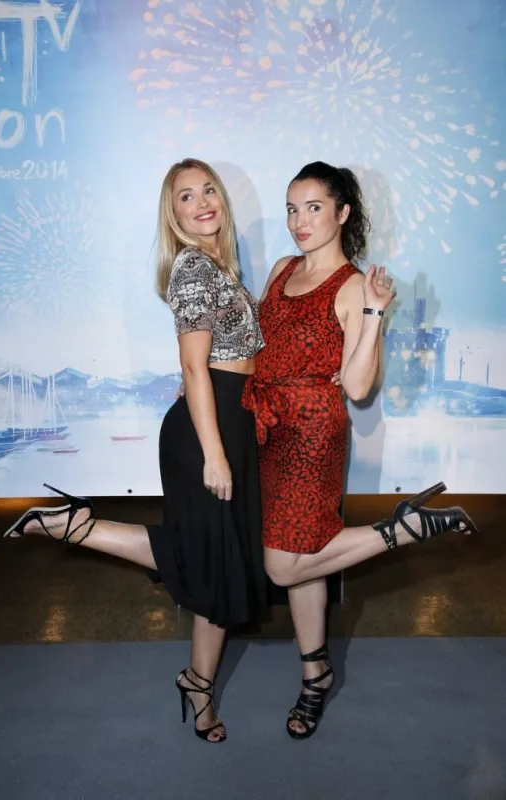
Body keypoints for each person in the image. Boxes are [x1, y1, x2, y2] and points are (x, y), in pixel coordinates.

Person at [3, 158, 272, 744]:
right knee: (205, 561)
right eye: (185, 197)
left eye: (208, 191)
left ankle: (196, 685)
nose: (202, 202)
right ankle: (71, 525)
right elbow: (193, 368)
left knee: (210, 566)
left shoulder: (219, 267)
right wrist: (216, 454)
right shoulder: (194, 269)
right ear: (171, 214)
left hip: (224, 418)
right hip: (210, 431)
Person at [242, 160, 477, 740]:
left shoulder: (351, 286)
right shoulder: (279, 270)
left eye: (314, 207)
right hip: (267, 429)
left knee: (282, 560)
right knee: (302, 562)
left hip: (313, 435)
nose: (300, 220)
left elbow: (358, 386)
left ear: (343, 212)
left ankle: (404, 530)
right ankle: (314, 675)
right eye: (293, 208)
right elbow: (256, 347)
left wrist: (373, 313)